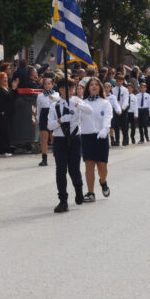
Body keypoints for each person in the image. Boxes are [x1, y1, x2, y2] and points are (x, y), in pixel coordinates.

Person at [48, 77, 93, 213]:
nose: (70, 91)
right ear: (61, 89)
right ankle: (63, 200)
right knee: (61, 170)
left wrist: (77, 105)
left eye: (72, 88)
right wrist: (61, 120)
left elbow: (89, 110)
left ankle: (79, 190)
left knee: (74, 170)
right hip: (60, 140)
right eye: (67, 88)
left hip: (74, 139)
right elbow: (50, 126)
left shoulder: (77, 101)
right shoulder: (54, 106)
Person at [80, 77, 112, 202]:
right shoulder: (83, 103)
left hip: (101, 136)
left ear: (100, 88)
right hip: (87, 136)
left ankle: (103, 182)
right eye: (91, 85)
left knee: (102, 167)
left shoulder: (105, 103)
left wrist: (104, 130)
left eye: (96, 84)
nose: (94, 86)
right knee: (89, 165)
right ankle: (91, 192)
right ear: (88, 88)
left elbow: (108, 118)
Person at [36, 76, 59, 166]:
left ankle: (57, 156)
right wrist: (38, 118)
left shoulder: (56, 94)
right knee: (44, 137)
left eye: (49, 84)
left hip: (53, 115)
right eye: (45, 84)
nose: (47, 85)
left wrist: (52, 97)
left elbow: (59, 100)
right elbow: (38, 108)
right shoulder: (40, 96)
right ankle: (44, 158)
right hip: (44, 115)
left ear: (52, 85)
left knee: (53, 137)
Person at [0, 72, 17, 156]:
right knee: (3, 131)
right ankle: (2, 150)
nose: (5, 79)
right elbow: (7, 97)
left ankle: (7, 148)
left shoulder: (8, 88)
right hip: (2, 113)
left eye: (6, 77)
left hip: (9, 113)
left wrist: (14, 89)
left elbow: (13, 97)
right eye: (3, 78)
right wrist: (13, 89)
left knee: (8, 131)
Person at [110, 73, 130, 146]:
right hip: (116, 110)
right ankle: (117, 140)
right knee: (116, 126)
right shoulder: (113, 90)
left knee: (124, 126)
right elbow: (113, 100)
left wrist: (122, 108)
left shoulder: (125, 90)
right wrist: (116, 109)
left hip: (123, 110)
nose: (119, 83)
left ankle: (125, 140)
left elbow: (126, 100)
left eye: (120, 81)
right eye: (117, 81)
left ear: (123, 81)